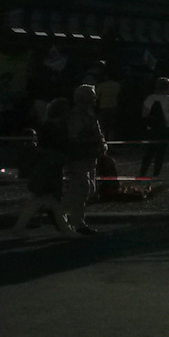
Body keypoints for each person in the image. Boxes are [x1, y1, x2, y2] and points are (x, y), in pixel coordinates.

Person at [59, 84, 107, 236]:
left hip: (88, 155)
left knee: (87, 189)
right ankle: (75, 219)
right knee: (82, 188)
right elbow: (75, 136)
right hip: (79, 156)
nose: (94, 98)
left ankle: (60, 211)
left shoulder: (88, 113)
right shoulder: (77, 115)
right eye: (92, 95)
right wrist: (95, 140)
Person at [11, 118, 71, 236]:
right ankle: (65, 229)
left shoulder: (41, 151)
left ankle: (18, 228)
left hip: (41, 180)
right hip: (46, 181)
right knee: (52, 204)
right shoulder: (51, 153)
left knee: (36, 203)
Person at [138, 77, 169, 180]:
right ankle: (156, 174)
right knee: (161, 153)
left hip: (152, 128)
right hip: (167, 127)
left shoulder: (150, 98)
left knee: (149, 152)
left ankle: (142, 174)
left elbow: (144, 114)